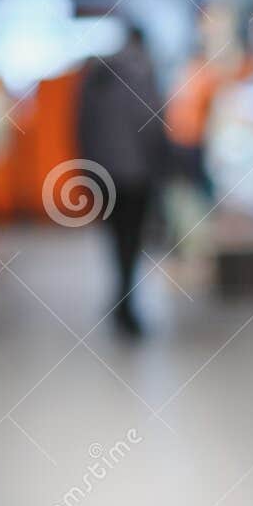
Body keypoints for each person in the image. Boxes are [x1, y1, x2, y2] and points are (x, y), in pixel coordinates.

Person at [73, 24, 167, 337]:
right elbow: (152, 122)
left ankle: (121, 299)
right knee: (133, 240)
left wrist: (87, 171)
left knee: (115, 239)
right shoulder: (143, 73)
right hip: (137, 175)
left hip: (104, 174)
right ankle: (126, 304)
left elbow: (80, 126)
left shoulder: (95, 76)